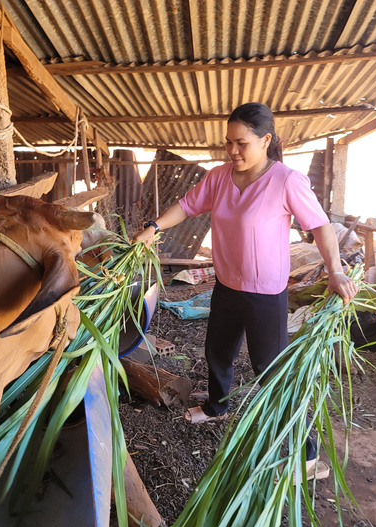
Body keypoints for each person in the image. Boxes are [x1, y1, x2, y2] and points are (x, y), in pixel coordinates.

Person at [134, 102, 357, 478]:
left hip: (265, 294)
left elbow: (319, 226)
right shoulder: (220, 177)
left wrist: (335, 270)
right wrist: (152, 228)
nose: (233, 151)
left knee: (271, 371)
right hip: (226, 285)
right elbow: (187, 207)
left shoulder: (287, 180)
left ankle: (308, 453)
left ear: (266, 140)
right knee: (218, 353)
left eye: (241, 143)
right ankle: (218, 407)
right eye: (228, 143)